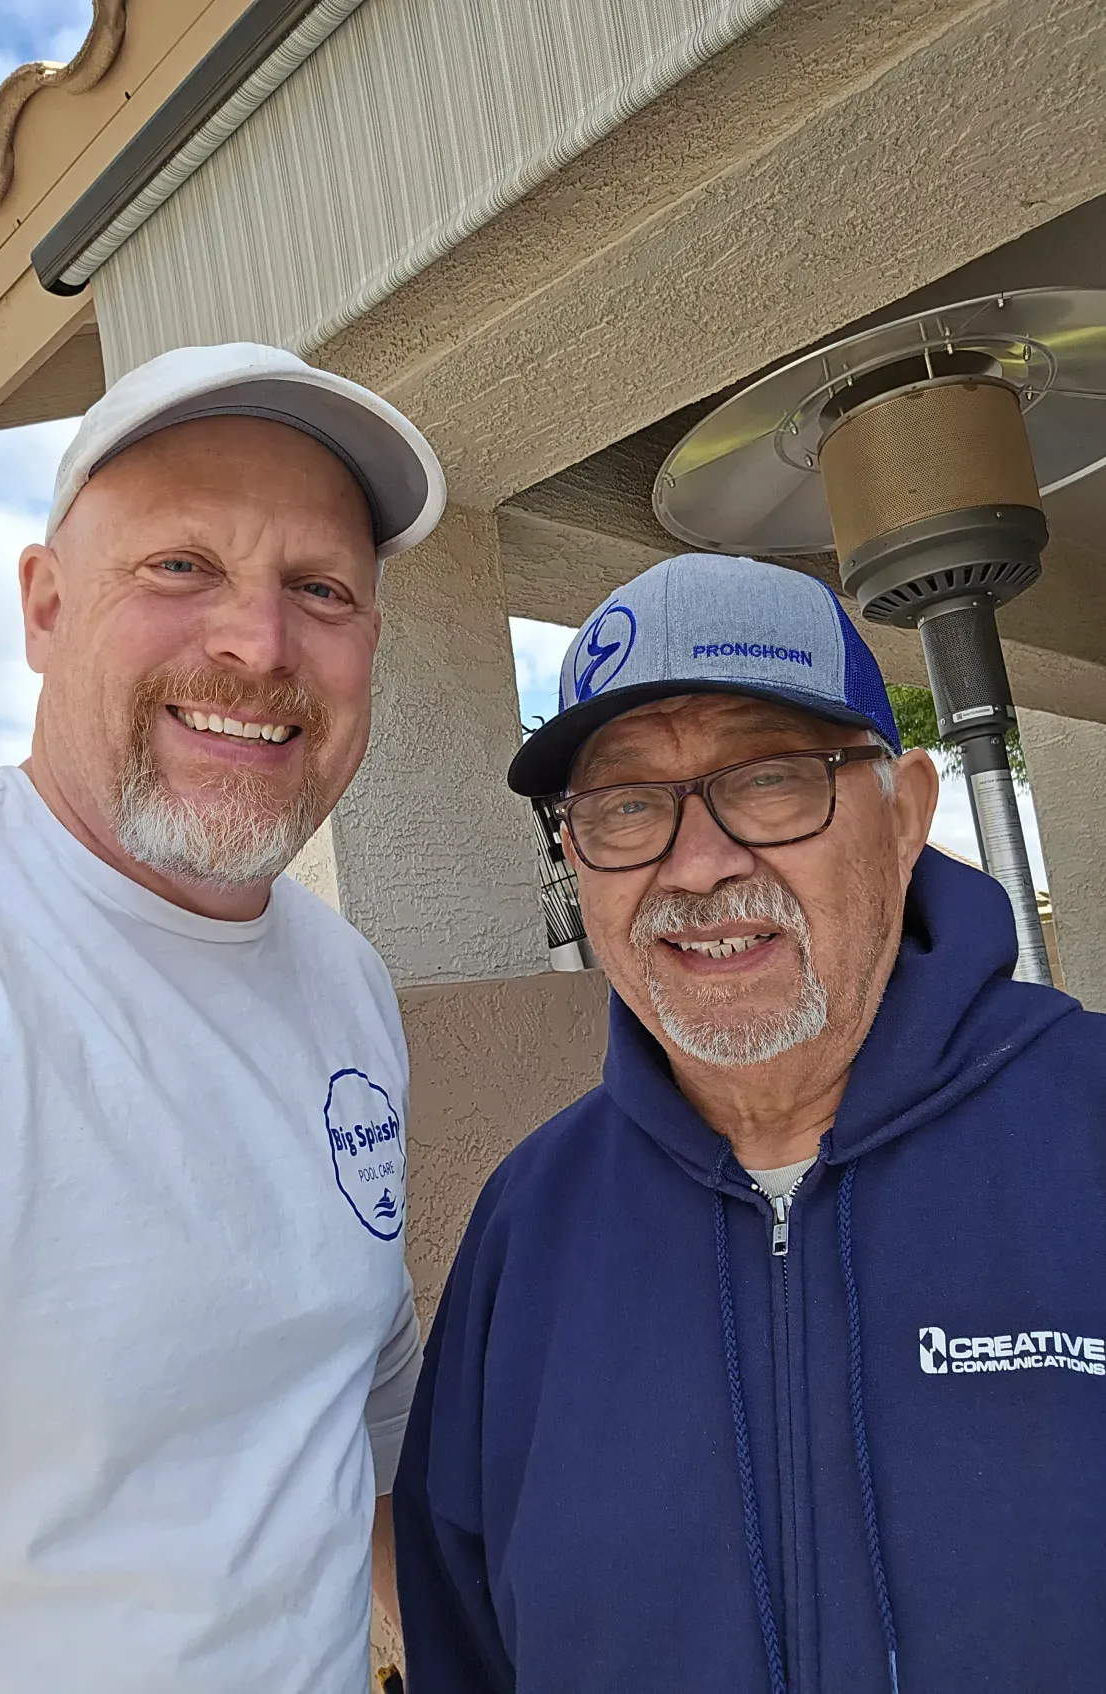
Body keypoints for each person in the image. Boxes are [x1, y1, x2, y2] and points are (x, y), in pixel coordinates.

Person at [0, 342, 446, 1691]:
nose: (257, 640)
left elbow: (361, 1383)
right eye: (181, 566)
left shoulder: (342, 979)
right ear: (44, 608)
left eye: (321, 588)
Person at [394, 551, 1106, 1694]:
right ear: (577, 855)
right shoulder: (529, 1223)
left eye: (771, 777)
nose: (700, 863)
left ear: (906, 812)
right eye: (626, 804)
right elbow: (463, 1639)